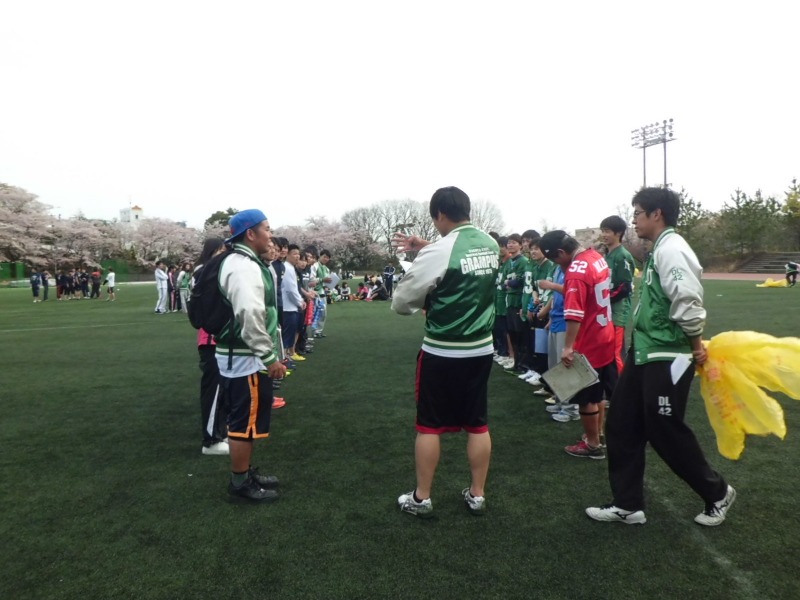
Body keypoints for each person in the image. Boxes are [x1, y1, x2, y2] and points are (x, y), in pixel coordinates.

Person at [586, 187, 735, 527]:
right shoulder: (659, 248)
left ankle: (717, 492)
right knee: (621, 423)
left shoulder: (672, 248)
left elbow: (687, 299)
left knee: (664, 428)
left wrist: (695, 345)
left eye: (638, 213)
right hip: (645, 352)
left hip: (668, 354)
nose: (634, 220)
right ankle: (628, 504)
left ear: (657, 214)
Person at [392, 186, 499, 518]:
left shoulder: (439, 250)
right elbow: (461, 255)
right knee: (478, 423)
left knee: (429, 425)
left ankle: (422, 498)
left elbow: (401, 303)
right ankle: (477, 494)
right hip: (481, 348)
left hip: (443, 349)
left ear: (439, 214)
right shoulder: (491, 243)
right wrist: (426, 246)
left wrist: (424, 260)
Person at [215, 208, 286, 502]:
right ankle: (239, 482)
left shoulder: (246, 262)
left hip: (243, 353)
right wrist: (268, 357)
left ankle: (244, 474)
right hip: (244, 356)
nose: (271, 235)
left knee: (249, 420)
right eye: (267, 229)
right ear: (251, 233)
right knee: (243, 422)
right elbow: (249, 313)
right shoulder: (243, 266)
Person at [538, 230, 617, 459]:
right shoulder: (595, 257)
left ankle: (592, 445)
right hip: (605, 333)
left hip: (590, 338)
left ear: (561, 252)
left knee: (587, 397)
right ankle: (598, 433)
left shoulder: (576, 270)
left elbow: (574, 314)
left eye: (555, 259)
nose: (557, 264)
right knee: (598, 393)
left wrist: (568, 347)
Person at [193, 238, 230, 455]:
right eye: (221, 251)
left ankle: (220, 431)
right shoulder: (204, 272)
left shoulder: (207, 271)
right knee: (214, 389)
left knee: (222, 389)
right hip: (210, 339)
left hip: (218, 339)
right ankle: (211, 440)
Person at [600, 216, 636, 373]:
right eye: (602, 231)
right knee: (605, 350)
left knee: (616, 352)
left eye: (607, 231)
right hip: (606, 310)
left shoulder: (622, 255)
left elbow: (625, 288)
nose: (604, 235)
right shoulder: (607, 255)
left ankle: (622, 385)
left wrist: (605, 300)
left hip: (617, 311)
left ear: (619, 233)